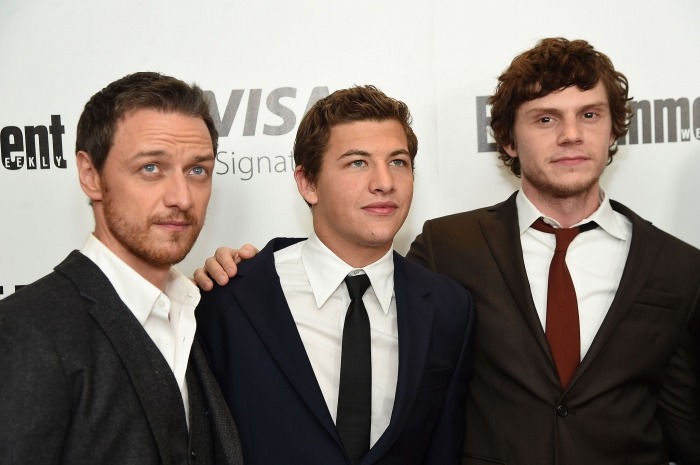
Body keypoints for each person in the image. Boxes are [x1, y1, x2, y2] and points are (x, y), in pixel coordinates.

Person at [196, 39, 700, 464]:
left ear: (614, 127)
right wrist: (241, 271)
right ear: (507, 139)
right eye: (546, 119)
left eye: (589, 115)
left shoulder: (678, 266)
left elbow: (682, 419)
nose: (571, 134)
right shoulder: (448, 250)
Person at [195, 85, 475, 465]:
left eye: (398, 161)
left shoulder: (448, 307)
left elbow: (443, 448)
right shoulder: (231, 297)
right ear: (308, 183)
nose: (384, 182)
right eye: (357, 162)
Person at [0, 72, 243, 465]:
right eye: (151, 168)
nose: (181, 198)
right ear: (90, 175)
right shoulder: (25, 332)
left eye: (197, 170)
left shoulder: (197, 314)